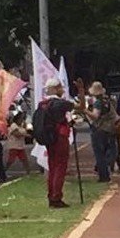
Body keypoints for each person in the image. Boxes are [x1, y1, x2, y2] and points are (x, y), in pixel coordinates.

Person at [40, 79, 76, 207]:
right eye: (60, 87)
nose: (62, 90)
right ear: (55, 89)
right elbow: (80, 106)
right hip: (60, 136)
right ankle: (56, 197)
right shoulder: (60, 103)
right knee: (60, 166)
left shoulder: (43, 104)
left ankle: (51, 195)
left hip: (49, 138)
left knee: (52, 166)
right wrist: (81, 91)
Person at [83, 81, 119, 184]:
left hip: (100, 129)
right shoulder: (107, 101)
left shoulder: (98, 103)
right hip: (110, 129)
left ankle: (104, 176)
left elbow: (95, 116)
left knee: (99, 154)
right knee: (109, 149)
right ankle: (109, 167)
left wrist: (85, 111)